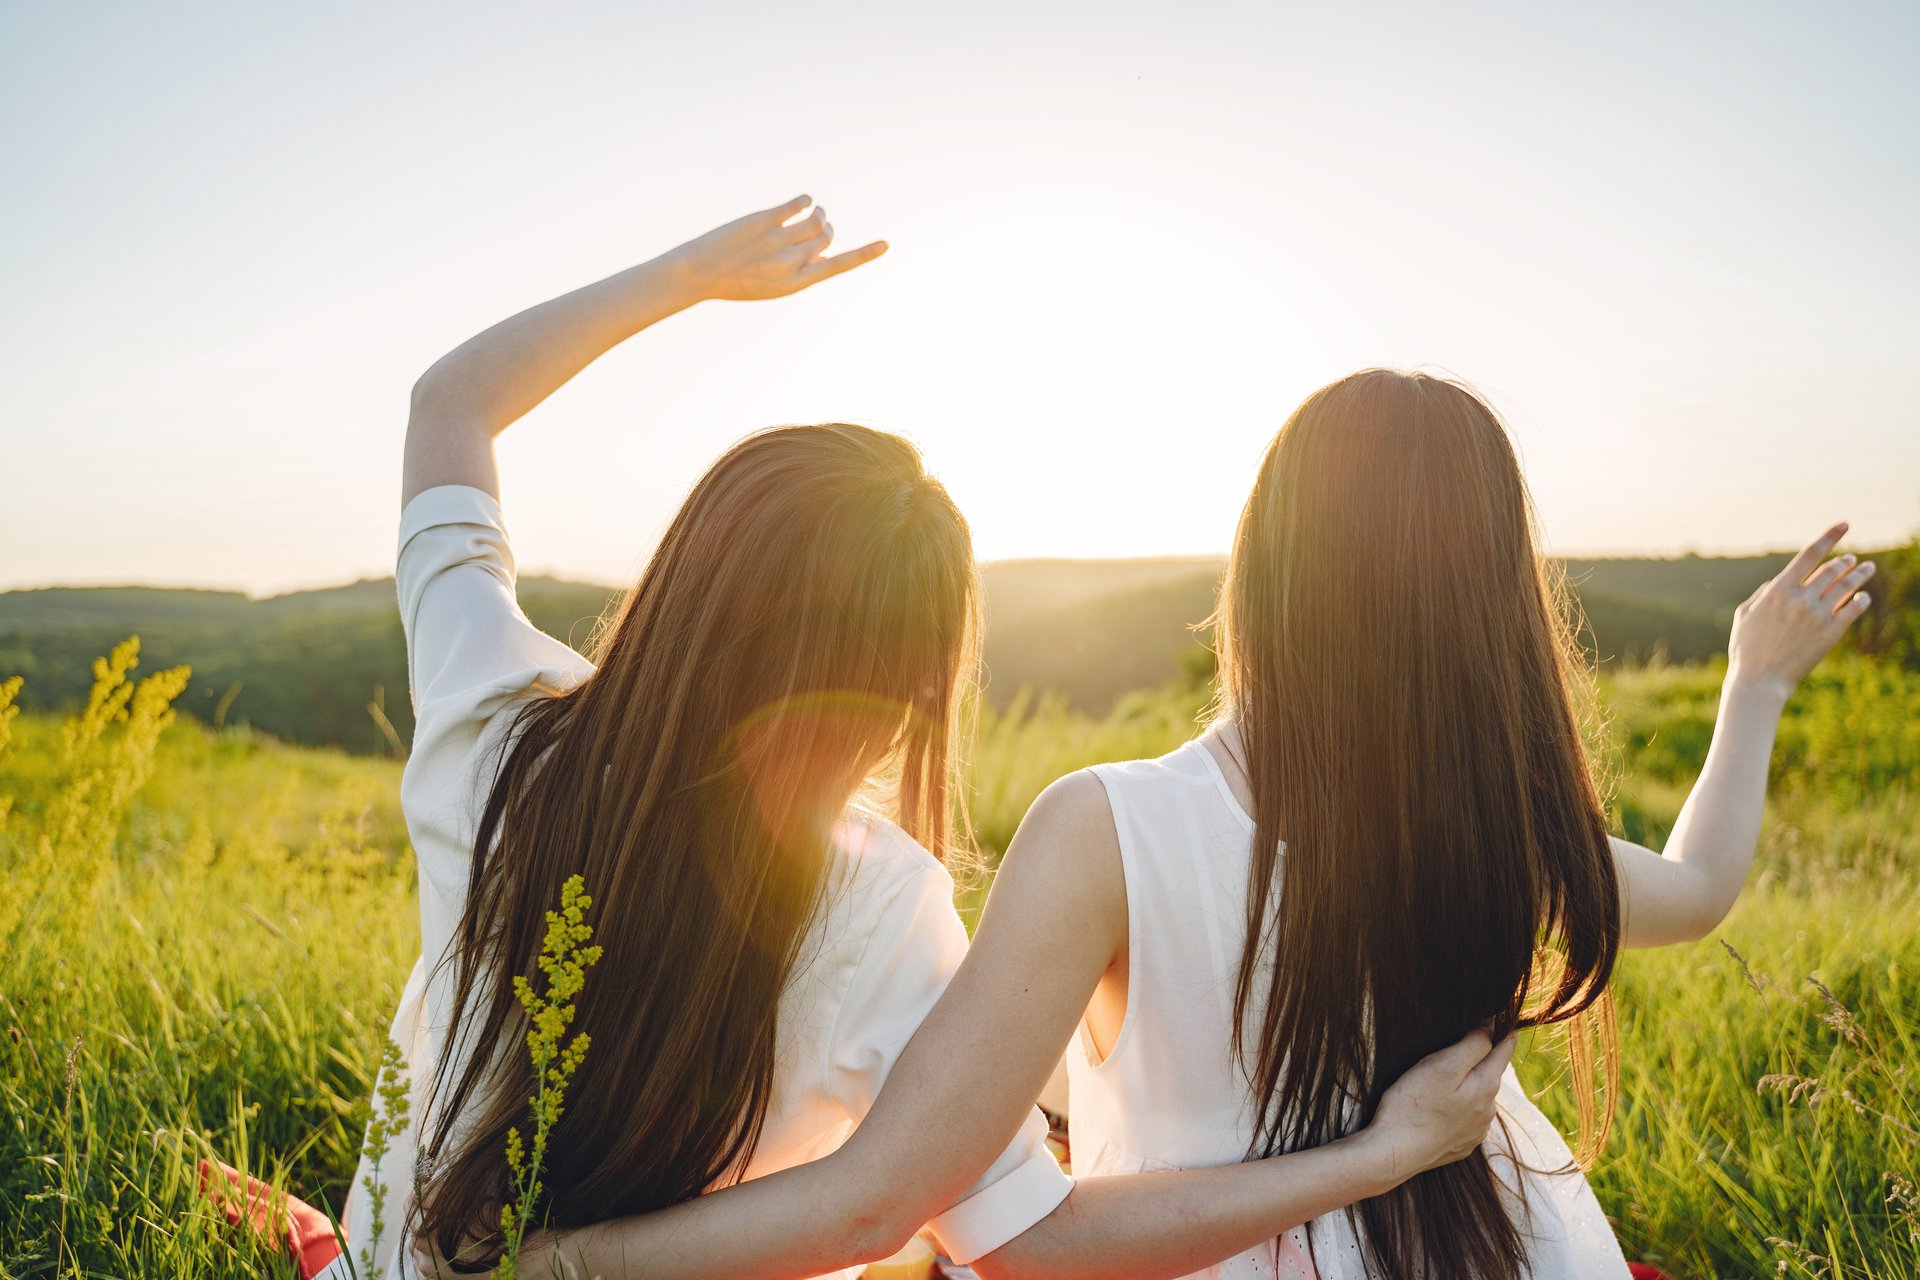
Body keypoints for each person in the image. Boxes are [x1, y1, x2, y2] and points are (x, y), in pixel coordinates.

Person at [469, 365, 1870, 1279]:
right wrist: (1751, 682)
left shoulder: (1105, 831)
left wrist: (567, 1262)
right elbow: (1702, 886)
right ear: (1496, 604)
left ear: (1257, 561)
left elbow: (954, 1214)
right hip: (1518, 1244)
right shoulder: (1494, 832)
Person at [349, 198, 1512, 1280]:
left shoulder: (495, 717)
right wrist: (1382, 1153)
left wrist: (690, 275)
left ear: (687, 573)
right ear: (911, 687)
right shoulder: (884, 911)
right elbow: (1019, 1241)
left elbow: (448, 403)